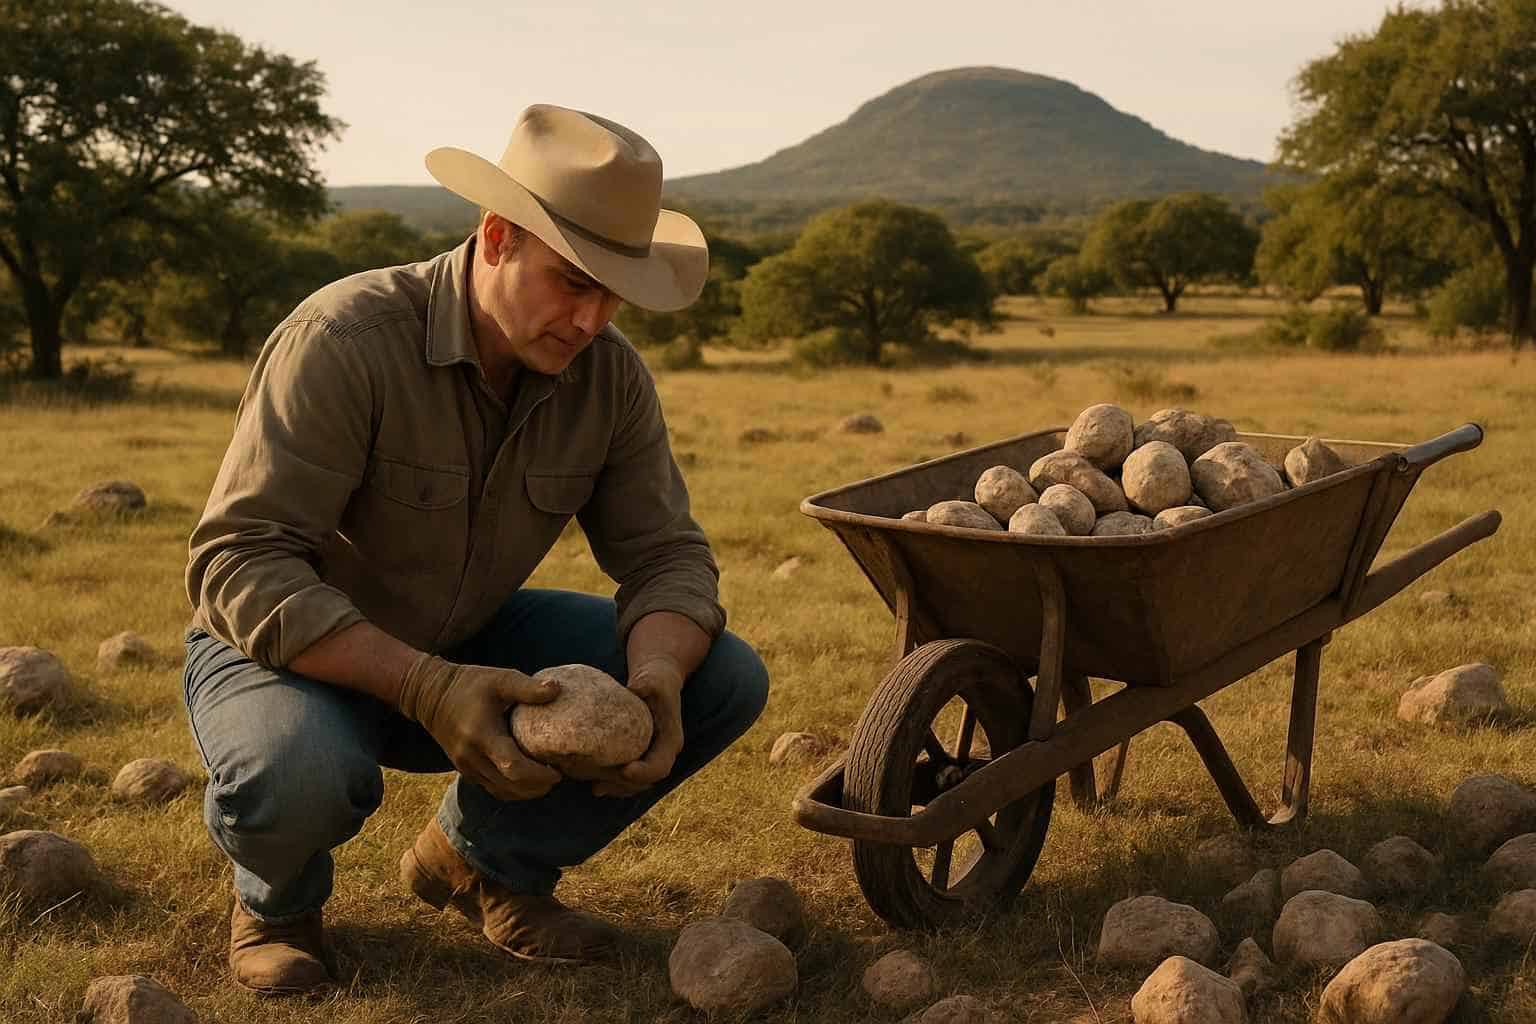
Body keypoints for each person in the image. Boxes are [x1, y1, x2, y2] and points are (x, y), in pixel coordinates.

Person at [182, 104, 769, 996]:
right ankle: (278, 906)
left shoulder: (608, 376)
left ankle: (482, 865)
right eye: (573, 283)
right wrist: (425, 685)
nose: (591, 319)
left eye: (614, 293)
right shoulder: (342, 340)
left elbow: (666, 558)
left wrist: (657, 677)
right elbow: (240, 560)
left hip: (470, 637)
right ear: (497, 236)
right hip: (289, 653)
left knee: (719, 675)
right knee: (300, 770)